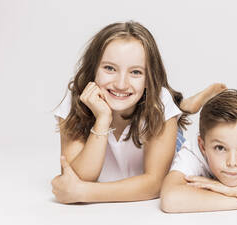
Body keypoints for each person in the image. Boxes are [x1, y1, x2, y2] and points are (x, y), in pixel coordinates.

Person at [51, 21, 226, 204]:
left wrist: (85, 194)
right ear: (93, 69)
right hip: (138, 106)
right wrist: (102, 120)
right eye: (109, 68)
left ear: (149, 79)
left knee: (171, 124)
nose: (120, 84)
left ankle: (180, 107)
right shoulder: (76, 99)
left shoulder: (159, 102)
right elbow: (77, 178)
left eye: (135, 72)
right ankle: (183, 106)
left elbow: (155, 183)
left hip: (163, 129)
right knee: (162, 105)